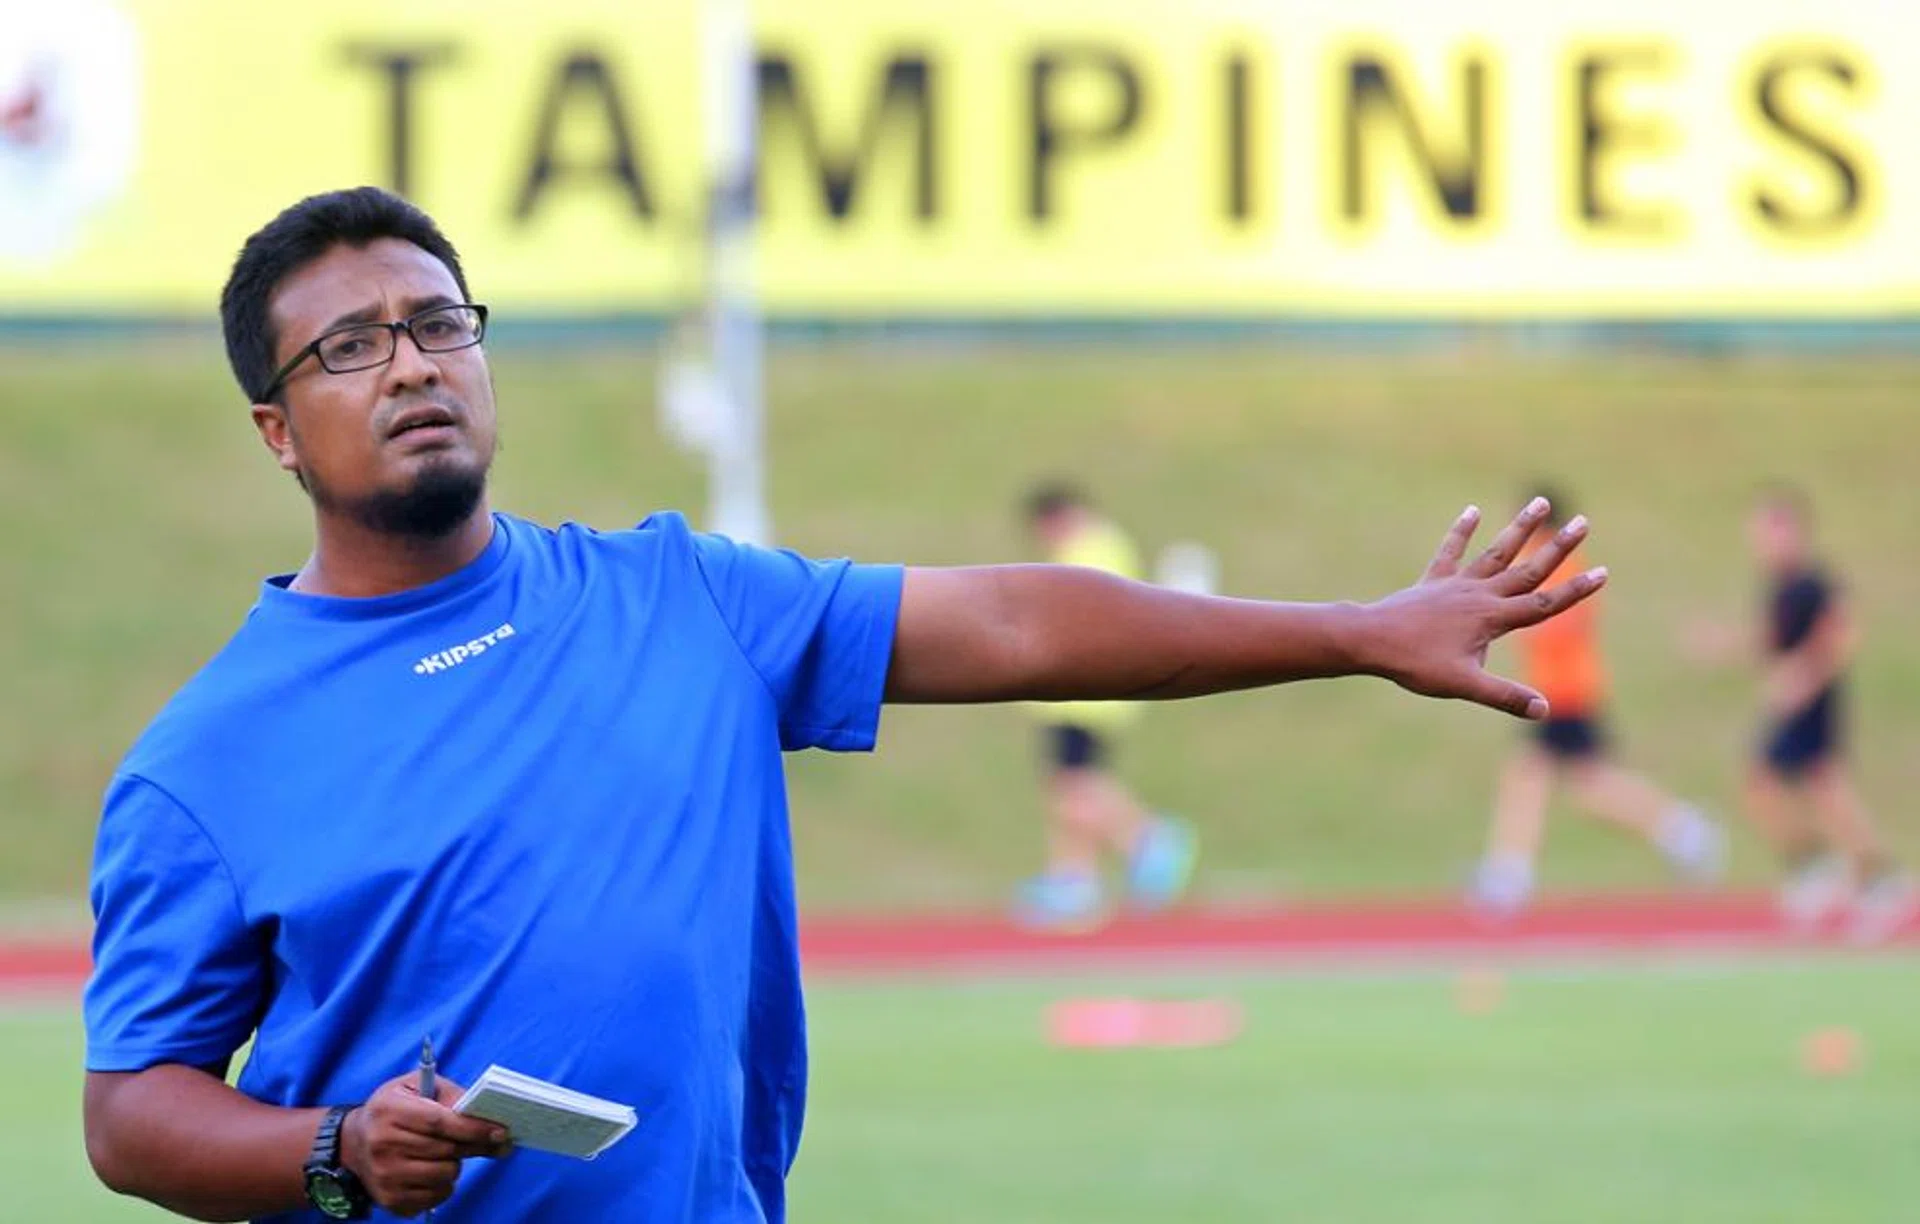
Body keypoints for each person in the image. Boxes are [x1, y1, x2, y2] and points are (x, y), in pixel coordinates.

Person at [81, 186, 1606, 1224]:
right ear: (279, 430)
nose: (411, 365)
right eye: (351, 346)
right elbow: (130, 1114)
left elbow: (1010, 618)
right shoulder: (207, 764)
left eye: (440, 323)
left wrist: (1351, 629)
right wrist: (335, 1156)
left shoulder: (678, 596)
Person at [1470, 488, 1723, 916]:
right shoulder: (1538, 562)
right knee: (1577, 786)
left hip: (1565, 694)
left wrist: (1517, 624)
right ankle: (1682, 829)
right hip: (1553, 690)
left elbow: (1561, 620)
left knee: (1547, 779)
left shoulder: (1557, 563)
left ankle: (1510, 875)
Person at [1731, 486, 1914, 939]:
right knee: (1782, 783)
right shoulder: (1781, 588)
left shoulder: (1814, 582)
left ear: (1793, 531)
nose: (1762, 543)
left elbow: (1842, 634)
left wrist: (1803, 678)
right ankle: (1831, 870)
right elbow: (1769, 641)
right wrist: (1718, 644)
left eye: (1769, 531)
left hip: (1814, 703)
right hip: (1795, 702)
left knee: (1811, 786)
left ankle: (1867, 876)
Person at [1013, 482, 1195, 930]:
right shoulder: (1094, 547)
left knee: (1075, 786)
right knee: (1069, 786)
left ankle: (1142, 838)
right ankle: (1075, 878)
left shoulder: (1089, 550)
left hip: (1082, 693)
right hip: (1078, 692)